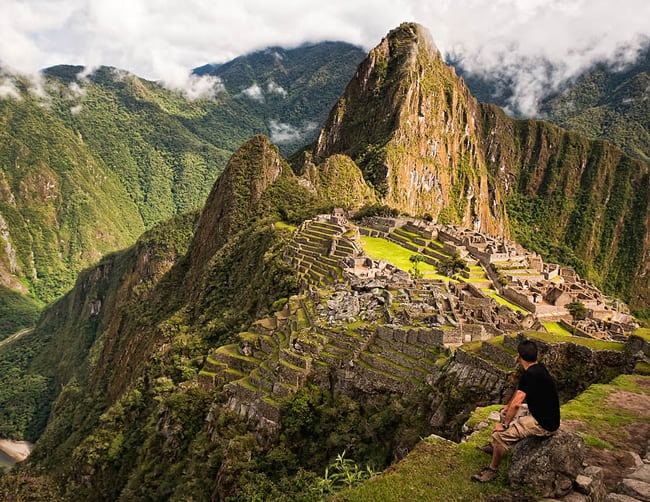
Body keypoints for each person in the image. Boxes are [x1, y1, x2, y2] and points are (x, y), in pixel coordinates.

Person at [471, 339, 560, 483]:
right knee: (504, 412)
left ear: (518, 356)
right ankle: (495, 447)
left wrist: (505, 425)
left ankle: (492, 469)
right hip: (542, 412)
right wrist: (507, 407)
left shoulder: (529, 374)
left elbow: (517, 404)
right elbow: (519, 394)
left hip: (544, 423)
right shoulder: (539, 368)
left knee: (501, 435)